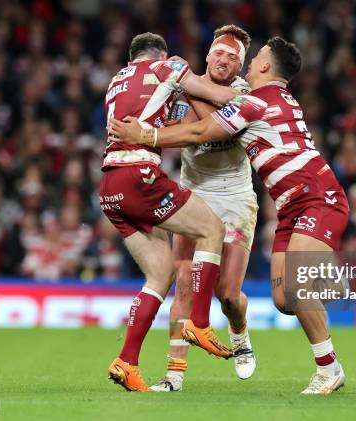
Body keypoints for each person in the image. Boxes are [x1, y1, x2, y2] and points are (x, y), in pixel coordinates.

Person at [109, 36, 356, 394]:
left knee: (293, 286)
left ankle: (329, 368)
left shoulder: (255, 100)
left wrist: (144, 134)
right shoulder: (263, 98)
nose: (247, 60)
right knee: (286, 299)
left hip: (316, 197)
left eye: (253, 56)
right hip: (289, 205)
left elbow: (200, 130)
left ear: (263, 67)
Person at [101, 32, 242, 392]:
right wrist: (248, 97)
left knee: (160, 274)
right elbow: (221, 96)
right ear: (160, 54)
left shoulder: (115, 82)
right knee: (210, 229)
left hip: (110, 186)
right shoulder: (167, 67)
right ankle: (199, 322)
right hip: (140, 175)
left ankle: (126, 362)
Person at [151, 25, 257, 393]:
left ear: (241, 68)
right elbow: (173, 129)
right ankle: (174, 374)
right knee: (183, 282)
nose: (225, 60)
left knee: (228, 294)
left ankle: (239, 332)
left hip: (235, 197)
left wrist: (187, 85)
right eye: (220, 53)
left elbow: (216, 130)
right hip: (193, 193)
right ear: (208, 55)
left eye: (234, 57)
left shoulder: (244, 93)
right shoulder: (182, 85)